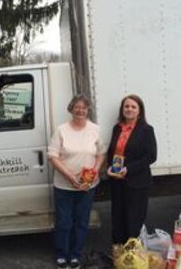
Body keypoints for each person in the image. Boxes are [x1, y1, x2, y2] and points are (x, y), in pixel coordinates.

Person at [48, 95, 105, 269]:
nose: (80, 110)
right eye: (77, 107)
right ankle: (61, 255)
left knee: (81, 222)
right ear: (71, 109)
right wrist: (70, 176)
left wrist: (95, 170)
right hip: (64, 185)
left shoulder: (95, 129)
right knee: (64, 222)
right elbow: (52, 156)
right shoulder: (61, 130)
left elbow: (101, 154)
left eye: (84, 108)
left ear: (88, 110)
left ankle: (75, 256)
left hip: (87, 185)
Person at [107, 94, 157, 246]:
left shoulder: (146, 130)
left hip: (136, 183)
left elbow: (151, 156)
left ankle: (132, 258)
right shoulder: (117, 128)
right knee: (118, 220)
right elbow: (112, 152)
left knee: (133, 221)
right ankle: (120, 255)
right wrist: (110, 167)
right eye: (126, 106)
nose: (129, 109)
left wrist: (129, 169)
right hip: (117, 181)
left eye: (133, 107)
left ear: (139, 111)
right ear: (122, 109)